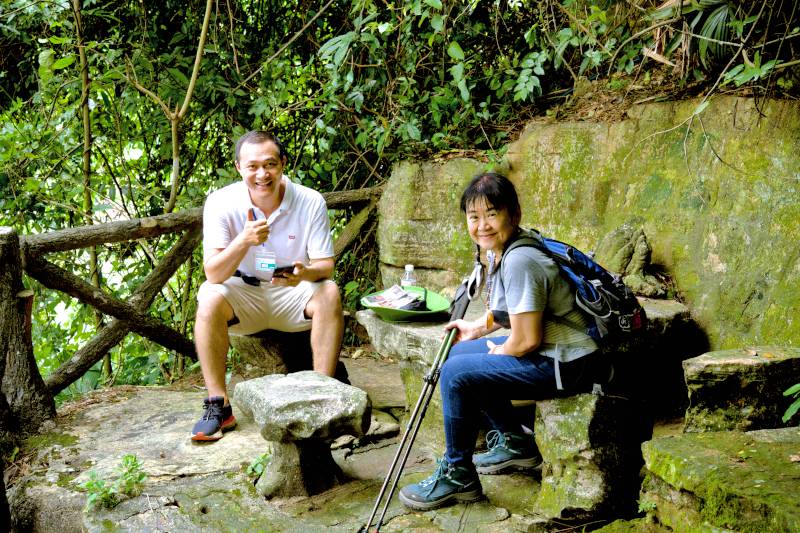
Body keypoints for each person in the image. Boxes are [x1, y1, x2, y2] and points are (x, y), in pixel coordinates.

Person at [399, 172, 602, 510]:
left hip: (569, 362)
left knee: (456, 373)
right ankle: (515, 442)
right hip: (561, 354)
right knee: (460, 353)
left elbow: (525, 341)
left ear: (513, 214)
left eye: (492, 214)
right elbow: (514, 308)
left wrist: (499, 351)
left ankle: (458, 474)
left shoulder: (520, 260)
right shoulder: (512, 247)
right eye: (474, 216)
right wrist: (478, 330)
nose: (482, 225)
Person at [190, 130, 344, 442]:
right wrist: (243, 241)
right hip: (244, 294)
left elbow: (326, 265)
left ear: (283, 163)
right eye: (253, 167)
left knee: (329, 291)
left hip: (291, 292)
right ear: (238, 167)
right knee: (208, 297)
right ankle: (219, 405)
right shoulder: (221, 202)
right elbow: (213, 274)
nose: (263, 174)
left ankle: (323, 395)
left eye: (270, 164)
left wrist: (304, 273)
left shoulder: (309, 200)